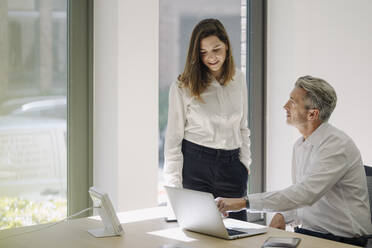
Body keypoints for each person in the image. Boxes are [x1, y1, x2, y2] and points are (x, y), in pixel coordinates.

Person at [216, 75, 372, 246]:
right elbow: (301, 197)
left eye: (292, 102)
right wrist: (284, 215)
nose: (285, 106)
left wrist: (243, 203)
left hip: (343, 241)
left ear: (312, 113)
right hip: (311, 234)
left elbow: (305, 194)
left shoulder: (337, 145)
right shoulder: (300, 145)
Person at [163, 19, 251, 221]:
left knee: (238, 235)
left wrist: (244, 164)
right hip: (195, 166)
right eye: (203, 52)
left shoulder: (239, 79)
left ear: (227, 46)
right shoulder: (182, 85)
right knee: (200, 234)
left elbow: (243, 128)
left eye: (216, 49)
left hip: (232, 167)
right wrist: (174, 187)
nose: (211, 57)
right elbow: (173, 139)